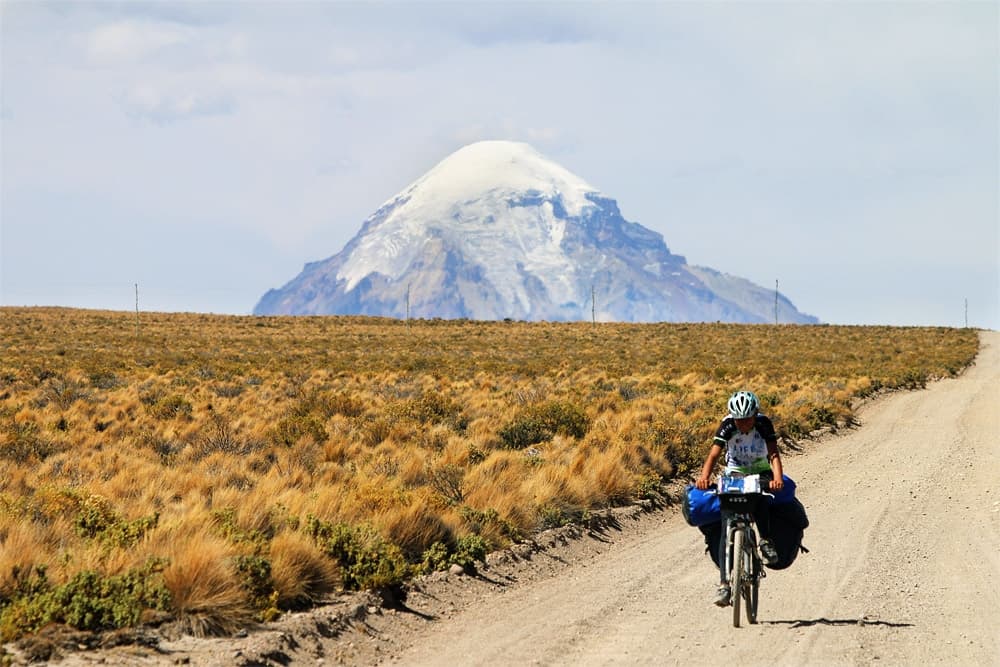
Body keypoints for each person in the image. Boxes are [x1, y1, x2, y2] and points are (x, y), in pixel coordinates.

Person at [695, 390, 785, 607]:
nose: (743, 424)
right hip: (734, 472)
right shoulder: (727, 425)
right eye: (739, 420)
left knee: (760, 498)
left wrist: (777, 478)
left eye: (747, 419)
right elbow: (714, 454)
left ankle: (765, 540)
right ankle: (724, 584)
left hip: (760, 470)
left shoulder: (764, 424)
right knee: (727, 522)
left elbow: (773, 454)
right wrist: (704, 477)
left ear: (755, 415)